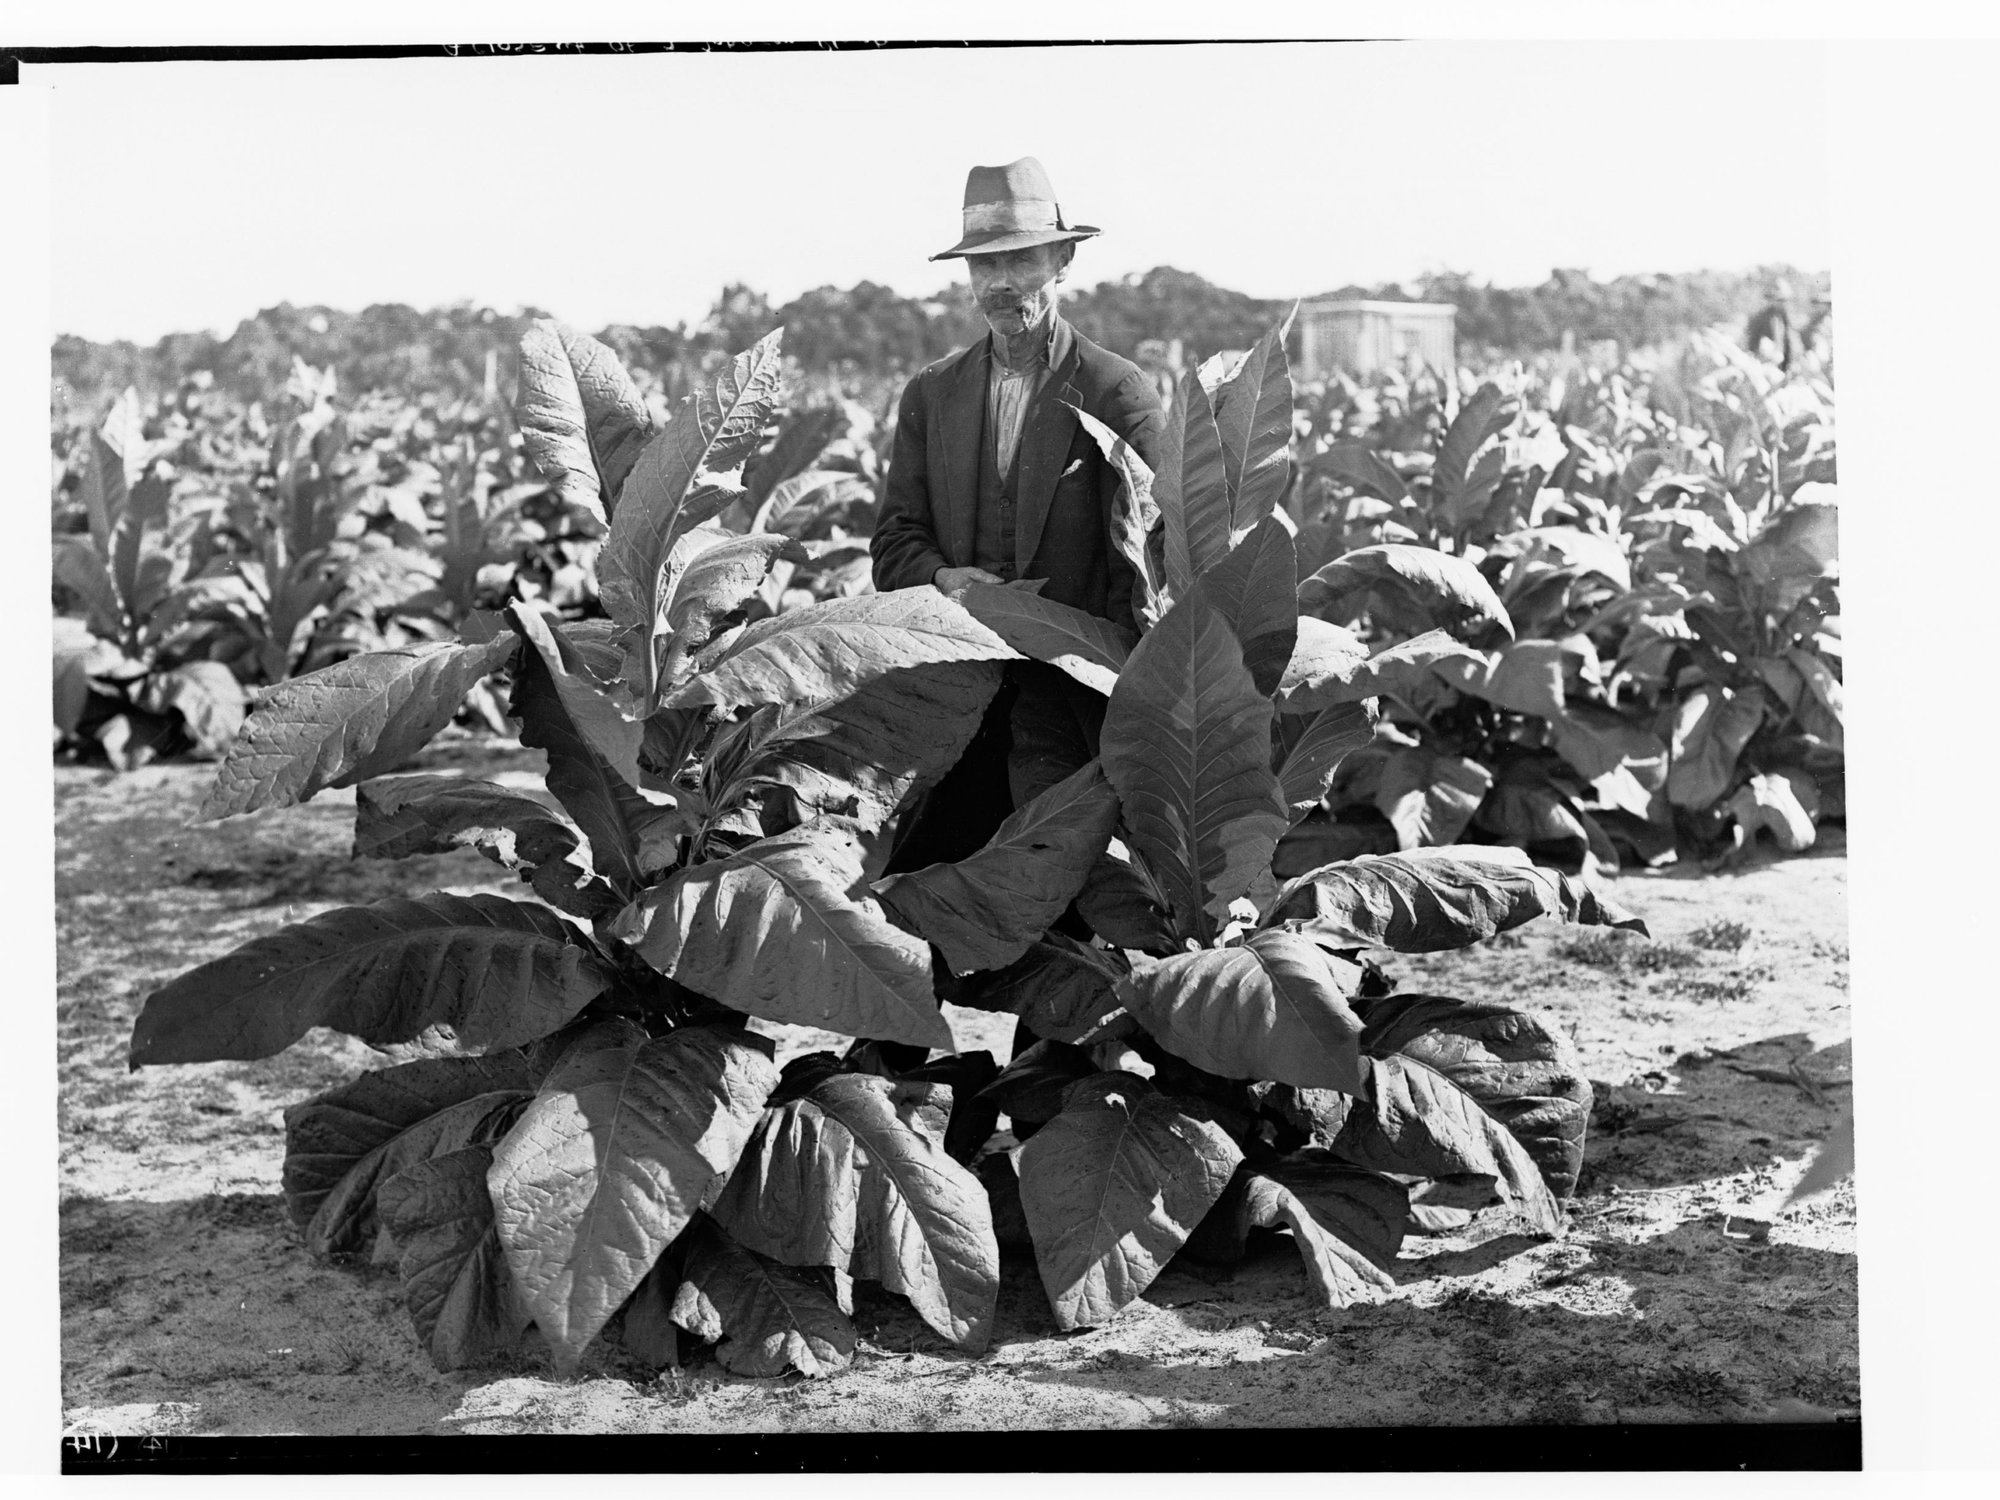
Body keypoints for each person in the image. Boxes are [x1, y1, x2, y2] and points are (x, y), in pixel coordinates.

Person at [872, 157, 1165, 876]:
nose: (1001, 282)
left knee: (1071, 896)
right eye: (984, 265)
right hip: (961, 687)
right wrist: (944, 577)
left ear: (1062, 260)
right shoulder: (933, 394)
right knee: (933, 883)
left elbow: (1153, 568)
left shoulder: (1116, 392)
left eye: (1021, 260)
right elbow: (893, 542)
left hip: (1074, 706)